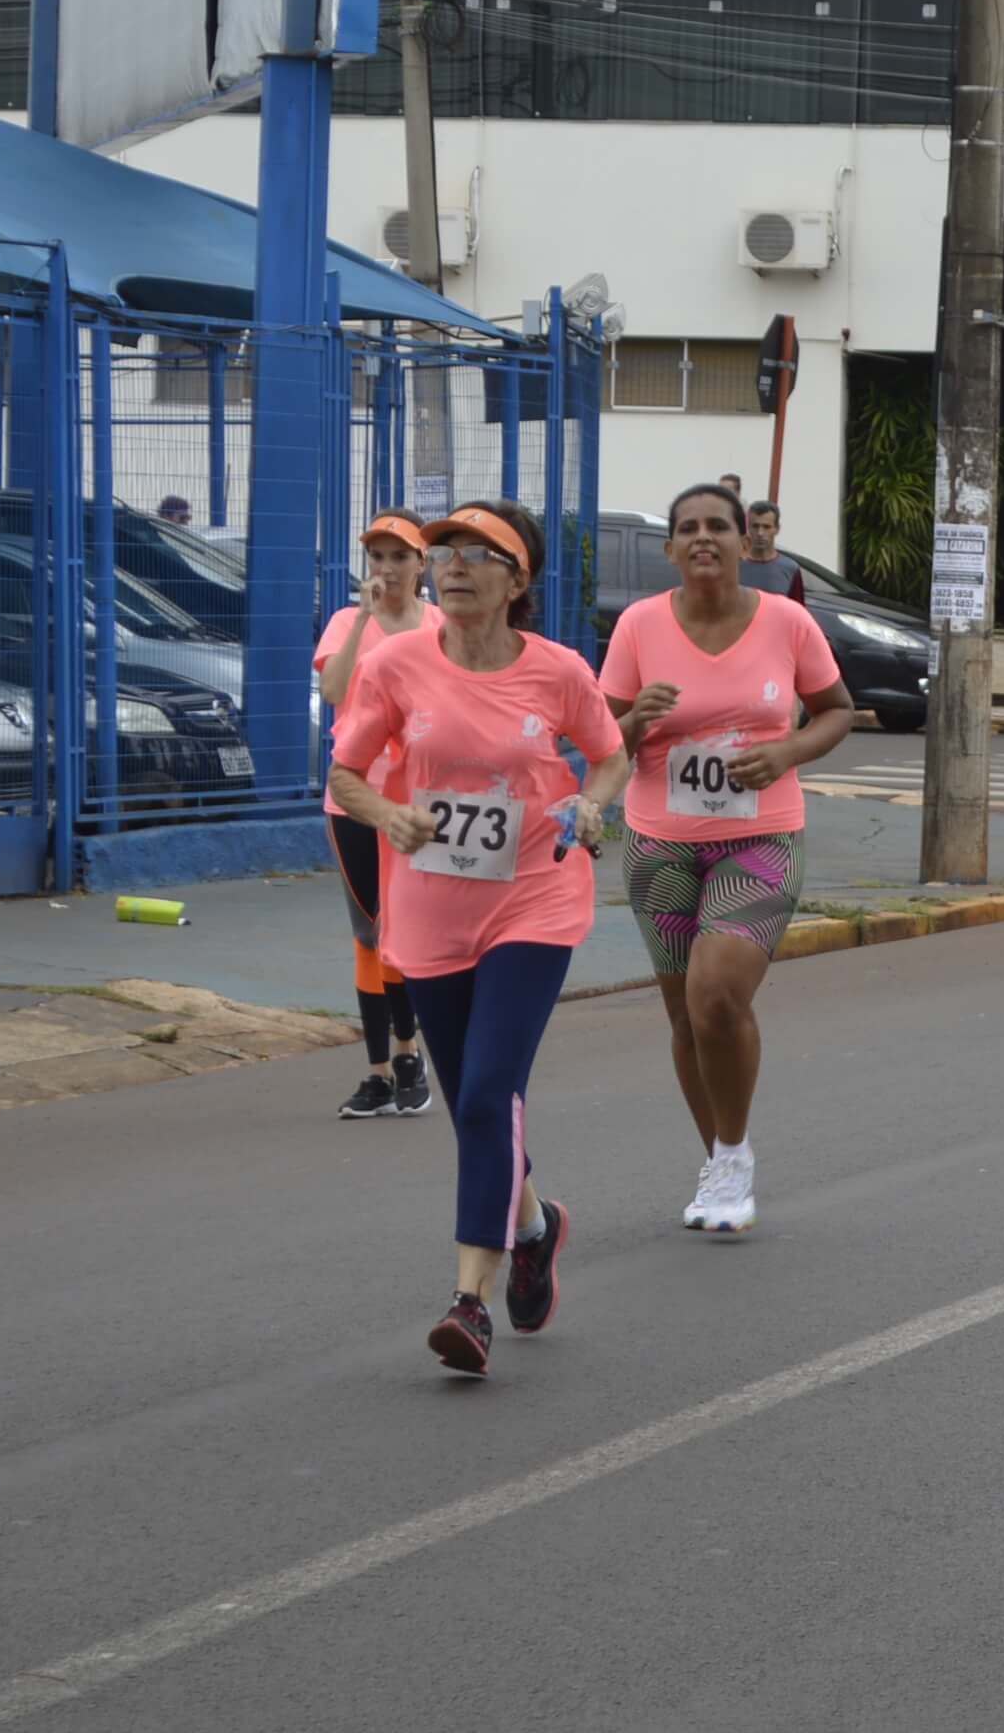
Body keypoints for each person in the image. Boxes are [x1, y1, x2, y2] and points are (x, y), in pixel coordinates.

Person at [329, 499, 631, 1380]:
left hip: (533, 899)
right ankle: (536, 1228)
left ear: (518, 579)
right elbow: (345, 774)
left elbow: (607, 750)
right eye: (445, 550)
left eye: (477, 553)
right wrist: (391, 812)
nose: (453, 565)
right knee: (472, 1106)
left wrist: (593, 803)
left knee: (492, 1086)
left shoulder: (559, 671)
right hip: (428, 909)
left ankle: (471, 1303)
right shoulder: (393, 664)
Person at [602, 484, 853, 1232]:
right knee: (685, 1016)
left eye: (719, 526)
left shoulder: (788, 622)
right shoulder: (639, 626)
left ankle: (735, 1152)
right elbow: (600, 739)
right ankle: (718, 1162)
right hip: (660, 841)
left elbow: (838, 709)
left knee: (717, 993)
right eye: (689, 529)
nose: (704, 538)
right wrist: (634, 721)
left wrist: (788, 751)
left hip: (760, 838)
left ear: (748, 541)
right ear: (671, 549)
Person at [317, 510, 444, 1119]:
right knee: (370, 936)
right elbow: (335, 692)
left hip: (422, 804)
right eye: (377, 557)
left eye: (400, 557)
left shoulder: (442, 625)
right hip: (357, 800)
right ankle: (377, 1071)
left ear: (423, 563)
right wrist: (366, 616)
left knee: (408, 933)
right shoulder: (347, 622)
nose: (387, 569)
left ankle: (409, 1051)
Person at [740, 497, 806, 602]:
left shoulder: (790, 569)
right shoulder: (734, 566)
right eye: (755, 526)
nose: (760, 533)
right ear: (748, 528)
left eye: (766, 527)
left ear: (777, 529)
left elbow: (799, 613)